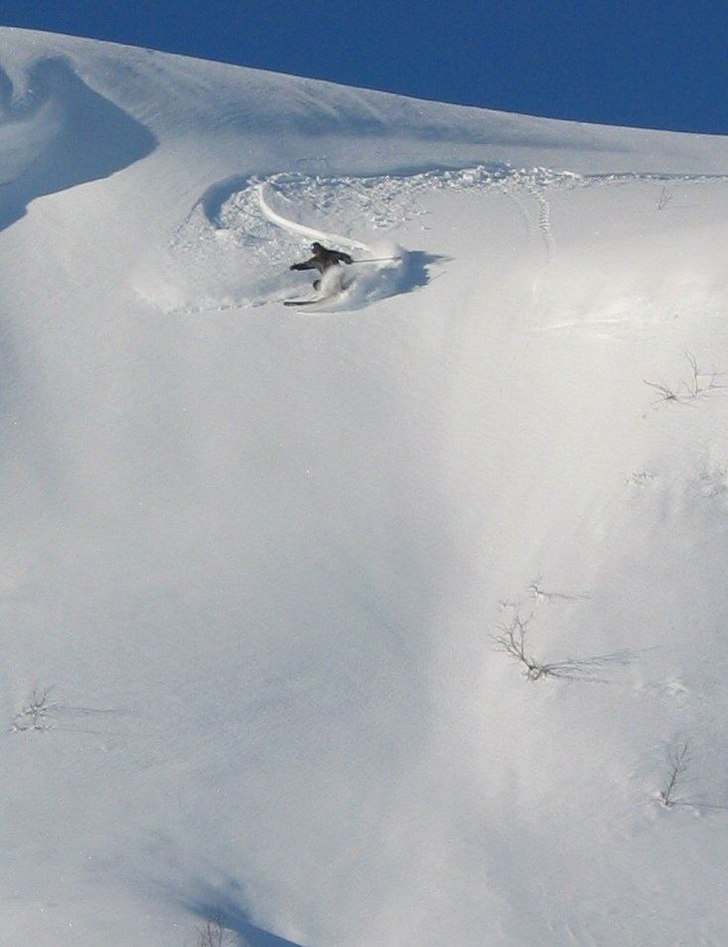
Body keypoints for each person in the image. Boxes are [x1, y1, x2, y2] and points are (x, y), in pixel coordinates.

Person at [290, 242, 354, 289]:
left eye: (318, 249)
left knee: (325, 282)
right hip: (329, 280)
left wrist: (347, 259)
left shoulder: (330, 254)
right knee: (317, 284)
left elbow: (342, 255)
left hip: (336, 276)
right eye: (316, 250)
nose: (318, 252)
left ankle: (334, 290)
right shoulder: (315, 260)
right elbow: (306, 265)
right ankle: (330, 291)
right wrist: (296, 266)